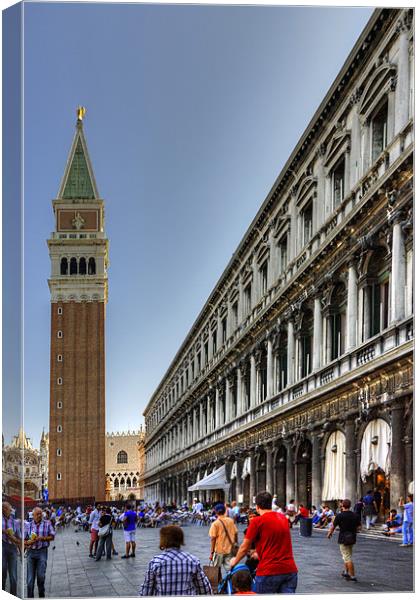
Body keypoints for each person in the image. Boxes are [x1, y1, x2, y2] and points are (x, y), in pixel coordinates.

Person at [230, 491, 298, 594]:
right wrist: (258, 552)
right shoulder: (283, 518)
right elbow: (274, 540)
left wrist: (234, 561)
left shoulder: (257, 522)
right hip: (289, 570)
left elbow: (244, 547)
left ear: (257, 507)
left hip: (269, 571)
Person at [139, 525, 212, 596]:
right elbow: (205, 589)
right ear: (181, 539)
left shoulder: (156, 562)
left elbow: (146, 591)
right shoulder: (192, 561)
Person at [327, 499, 361, 583]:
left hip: (343, 538)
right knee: (347, 555)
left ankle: (352, 576)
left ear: (342, 506)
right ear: (350, 506)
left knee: (347, 557)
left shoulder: (340, 515)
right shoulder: (355, 515)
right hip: (352, 537)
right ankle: (346, 572)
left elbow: (333, 526)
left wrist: (329, 534)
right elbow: (360, 527)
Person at [25, 506, 55, 598]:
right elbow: (24, 540)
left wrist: (42, 538)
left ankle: (41, 596)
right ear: (33, 515)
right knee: (30, 581)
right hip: (31, 553)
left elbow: (52, 536)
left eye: (40, 514)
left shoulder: (47, 523)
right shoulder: (28, 525)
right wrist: (28, 542)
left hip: (42, 552)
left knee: (41, 577)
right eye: (37, 514)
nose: (39, 516)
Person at [209, 503, 238, 571]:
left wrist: (211, 553)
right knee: (231, 570)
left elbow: (213, 539)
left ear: (216, 512)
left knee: (215, 571)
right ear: (225, 511)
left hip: (218, 551)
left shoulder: (215, 524)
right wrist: (235, 544)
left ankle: (219, 581)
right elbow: (236, 533)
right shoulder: (231, 521)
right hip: (229, 550)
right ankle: (230, 581)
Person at [2, 501, 20, 596]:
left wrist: (21, 551)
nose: (11, 511)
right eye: (9, 509)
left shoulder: (15, 522)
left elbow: (19, 538)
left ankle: (13, 595)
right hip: (3, 546)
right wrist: (5, 532)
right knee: (3, 570)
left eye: (10, 509)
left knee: (13, 575)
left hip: (13, 548)